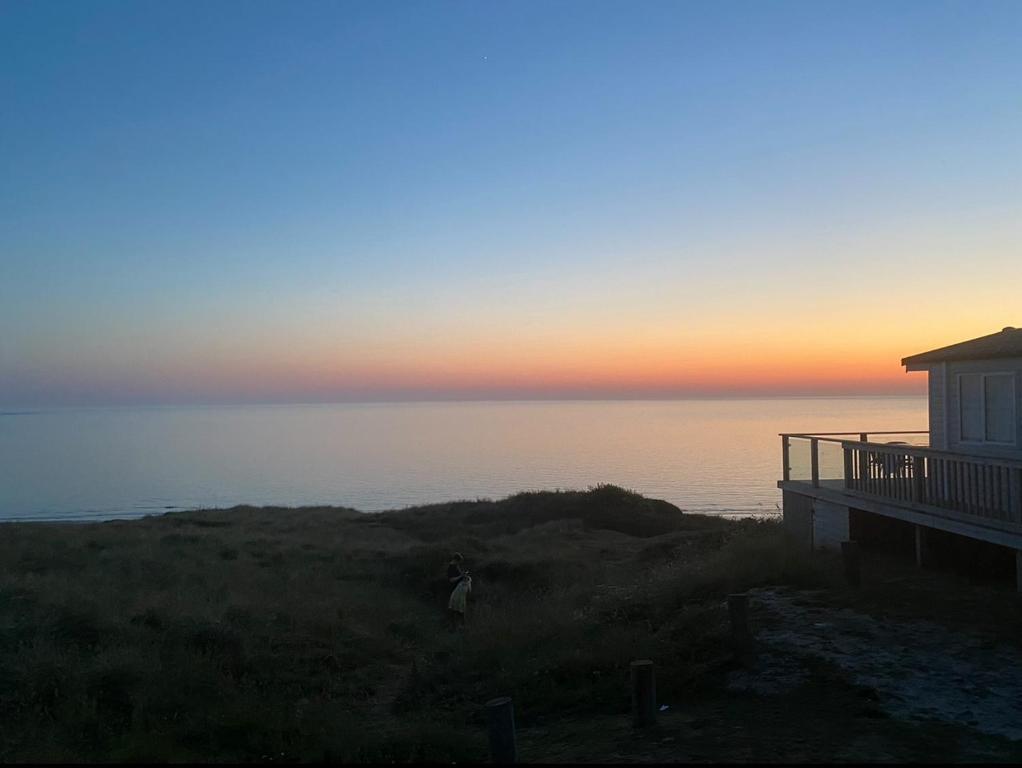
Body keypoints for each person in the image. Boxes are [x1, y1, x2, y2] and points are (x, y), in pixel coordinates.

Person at [447, 552, 471, 625]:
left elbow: (459, 575)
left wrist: (464, 575)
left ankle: (459, 623)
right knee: (455, 607)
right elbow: (451, 580)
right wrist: (461, 576)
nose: (459, 563)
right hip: (454, 589)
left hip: (459, 589)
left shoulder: (456, 565)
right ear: (456, 560)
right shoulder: (450, 567)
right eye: (459, 562)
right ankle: (455, 623)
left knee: (460, 606)